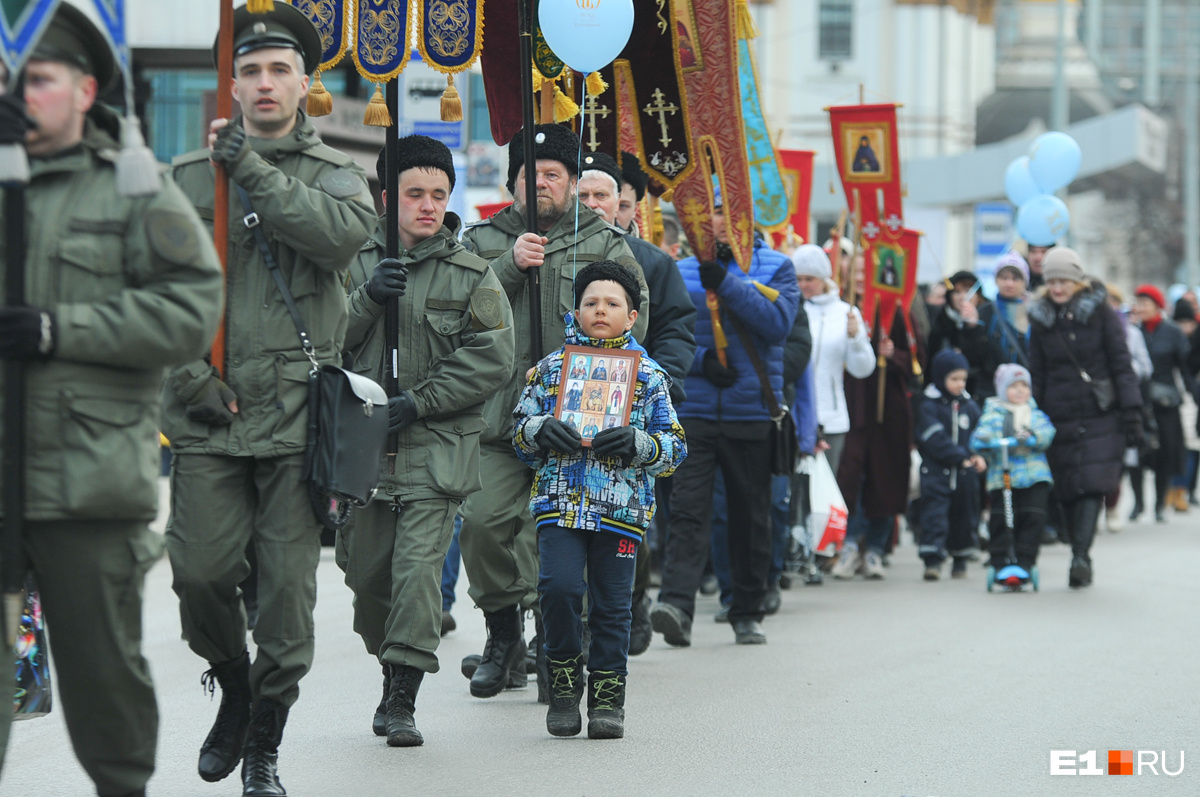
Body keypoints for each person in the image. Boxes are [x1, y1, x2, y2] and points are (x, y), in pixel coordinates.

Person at [0, 7, 223, 793]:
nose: (19, 94)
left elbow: (193, 306)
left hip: (85, 481)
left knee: (104, 685)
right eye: (9, 79)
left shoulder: (134, 190)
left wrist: (63, 328)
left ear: (85, 88)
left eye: (37, 79)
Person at [163, 6, 376, 793]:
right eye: (248, 70)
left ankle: (263, 742)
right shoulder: (188, 178)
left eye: (277, 69)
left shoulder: (337, 176)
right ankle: (233, 681)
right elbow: (161, 293)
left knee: (286, 610)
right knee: (198, 573)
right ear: (232, 82)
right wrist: (191, 377)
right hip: (208, 412)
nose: (262, 82)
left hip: (296, 425)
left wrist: (251, 171)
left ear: (303, 83)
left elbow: (338, 240)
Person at [458, 123, 647, 701]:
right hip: (498, 419)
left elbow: (634, 319)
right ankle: (502, 634)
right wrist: (510, 267)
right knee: (487, 525)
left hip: (579, 429)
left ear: (569, 182)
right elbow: (453, 314)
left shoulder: (604, 241)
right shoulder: (481, 241)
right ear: (513, 181)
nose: (539, 184)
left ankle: (555, 644)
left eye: (552, 176)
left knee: (563, 542)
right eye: (528, 175)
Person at [336, 136, 514, 747]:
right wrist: (365, 301)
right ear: (388, 199)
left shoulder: (472, 274)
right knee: (365, 582)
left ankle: (403, 695)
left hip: (437, 445)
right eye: (415, 194)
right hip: (363, 448)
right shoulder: (352, 265)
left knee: (417, 574)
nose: (429, 205)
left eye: (440, 194)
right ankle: (391, 660)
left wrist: (420, 401)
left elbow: (494, 357)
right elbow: (317, 344)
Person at [512, 261, 685, 739]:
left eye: (612, 304)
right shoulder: (550, 370)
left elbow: (674, 447)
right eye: (591, 303)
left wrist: (640, 444)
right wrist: (538, 430)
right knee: (559, 590)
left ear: (631, 316)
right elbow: (518, 434)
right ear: (577, 310)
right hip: (560, 504)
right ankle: (565, 683)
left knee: (612, 607)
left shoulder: (649, 376)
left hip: (621, 511)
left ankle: (609, 698)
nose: (600, 311)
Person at [650, 184, 799, 647]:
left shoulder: (777, 267)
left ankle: (748, 609)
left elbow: (777, 326)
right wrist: (699, 362)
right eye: (707, 210)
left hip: (751, 411)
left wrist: (726, 283)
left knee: (749, 513)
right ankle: (677, 604)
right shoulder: (678, 269)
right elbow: (661, 338)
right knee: (689, 511)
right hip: (693, 409)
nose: (715, 219)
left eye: (725, 210)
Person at [575, 150, 697, 655]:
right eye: (581, 196)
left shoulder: (652, 263)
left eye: (602, 196)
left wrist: (654, 382)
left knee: (625, 515)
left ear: (624, 204)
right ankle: (542, 633)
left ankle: (631, 599)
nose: (593, 206)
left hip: (629, 415)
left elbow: (676, 331)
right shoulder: (551, 255)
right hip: (564, 417)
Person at [1029, 248, 1142, 587]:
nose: (1058, 288)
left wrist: (1133, 410)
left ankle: (1080, 556)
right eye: (1051, 282)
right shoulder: (1041, 318)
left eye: (1063, 281)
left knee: (1094, 483)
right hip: (1057, 412)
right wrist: (1032, 413)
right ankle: (1077, 546)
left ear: (1077, 281)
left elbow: (1121, 363)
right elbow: (1038, 370)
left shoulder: (1102, 314)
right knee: (1066, 488)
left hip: (1100, 411)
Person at [792, 244, 875, 474]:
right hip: (794, 415)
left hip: (831, 418)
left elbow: (863, 369)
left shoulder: (845, 313)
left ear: (823, 278)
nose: (803, 285)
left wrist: (856, 337)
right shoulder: (788, 309)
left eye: (809, 278)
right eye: (797, 278)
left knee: (824, 492)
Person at [969, 365, 1056, 584]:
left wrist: (1033, 436)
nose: (1020, 391)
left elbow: (1047, 431)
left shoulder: (1034, 413)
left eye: (1024, 386)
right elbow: (982, 434)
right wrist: (985, 440)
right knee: (1002, 518)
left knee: (1033, 516)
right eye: (1013, 386)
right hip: (1003, 475)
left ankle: (1025, 561)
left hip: (1034, 475)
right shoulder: (994, 413)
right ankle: (1000, 561)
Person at [916, 350, 986, 580]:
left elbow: (980, 434)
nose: (959, 384)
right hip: (936, 473)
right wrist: (959, 456)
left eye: (962, 379)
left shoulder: (969, 406)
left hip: (965, 475)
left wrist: (977, 455)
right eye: (954, 379)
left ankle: (960, 559)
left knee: (964, 516)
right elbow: (934, 438)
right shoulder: (929, 405)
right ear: (940, 377)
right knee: (934, 516)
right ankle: (933, 561)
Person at [1130, 284, 1197, 522]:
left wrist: (1195, 395)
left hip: (1166, 401)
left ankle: (1159, 503)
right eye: (1138, 303)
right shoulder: (1132, 331)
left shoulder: (1172, 332)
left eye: (1146, 303)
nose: (1141, 307)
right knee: (1136, 451)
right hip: (1138, 399)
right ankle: (1138, 503)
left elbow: (1185, 369)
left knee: (1166, 452)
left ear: (1157, 306)